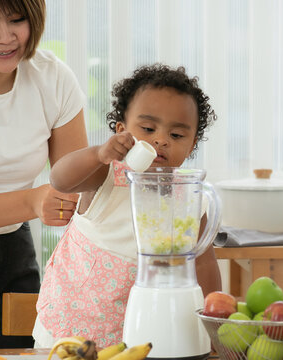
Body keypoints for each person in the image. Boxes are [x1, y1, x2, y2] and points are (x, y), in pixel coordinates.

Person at [34, 64, 222, 347]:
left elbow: (204, 264)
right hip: (68, 326)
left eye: (177, 135)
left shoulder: (190, 199)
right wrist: (99, 154)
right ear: (122, 131)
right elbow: (60, 179)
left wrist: (211, 332)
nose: (161, 140)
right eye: (148, 128)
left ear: (193, 144)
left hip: (140, 334)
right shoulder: (107, 174)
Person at [0, 0, 88, 349]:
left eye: (17, 20)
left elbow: (78, 185)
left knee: (19, 354)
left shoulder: (53, 78)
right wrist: (33, 199)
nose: (6, 37)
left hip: (15, 251)